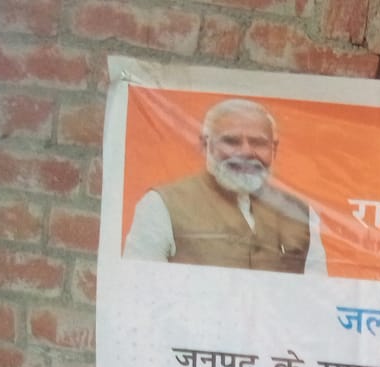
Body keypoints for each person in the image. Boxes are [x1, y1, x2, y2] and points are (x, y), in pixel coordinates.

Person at [123, 98, 326, 273]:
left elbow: (316, 296)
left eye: (258, 143)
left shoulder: (299, 214)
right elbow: (138, 289)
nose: (246, 152)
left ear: (274, 149)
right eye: (231, 141)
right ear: (206, 145)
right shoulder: (162, 205)